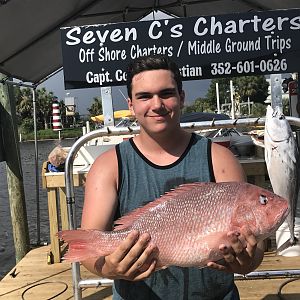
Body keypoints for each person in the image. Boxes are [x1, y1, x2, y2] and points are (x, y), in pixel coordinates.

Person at [81, 55, 264, 299]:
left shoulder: (220, 158)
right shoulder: (108, 166)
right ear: (131, 105)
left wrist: (248, 262)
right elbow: (88, 246)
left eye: (166, 93)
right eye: (144, 96)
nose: (156, 104)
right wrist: (108, 267)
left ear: (181, 98)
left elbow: (256, 244)